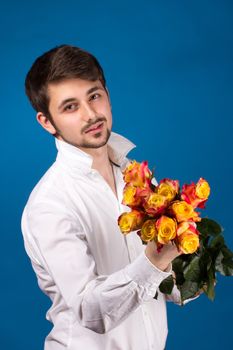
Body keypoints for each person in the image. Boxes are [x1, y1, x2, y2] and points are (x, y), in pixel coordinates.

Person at [21, 44, 185, 350]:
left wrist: (190, 255)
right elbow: (90, 310)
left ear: (106, 94)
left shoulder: (135, 176)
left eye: (94, 96)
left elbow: (167, 285)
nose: (91, 114)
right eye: (70, 107)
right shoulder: (49, 205)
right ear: (46, 122)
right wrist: (155, 260)